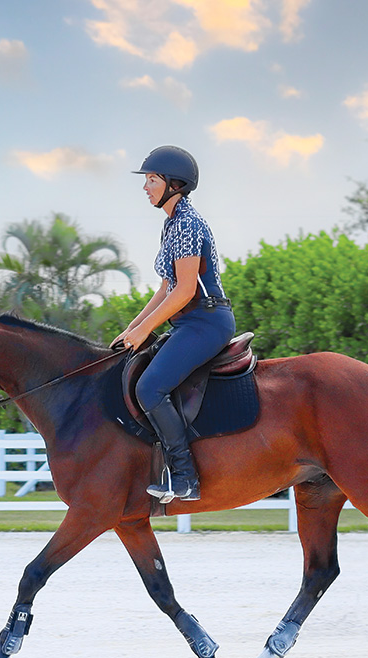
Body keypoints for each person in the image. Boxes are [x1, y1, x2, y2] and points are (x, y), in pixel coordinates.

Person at [111, 145, 235, 502]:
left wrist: (145, 330)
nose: (145, 187)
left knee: (149, 389)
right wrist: (133, 328)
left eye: (151, 180)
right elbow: (165, 288)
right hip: (189, 322)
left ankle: (185, 477)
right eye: (147, 180)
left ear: (174, 184)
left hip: (206, 321)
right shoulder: (171, 225)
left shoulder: (186, 224)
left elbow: (183, 291)